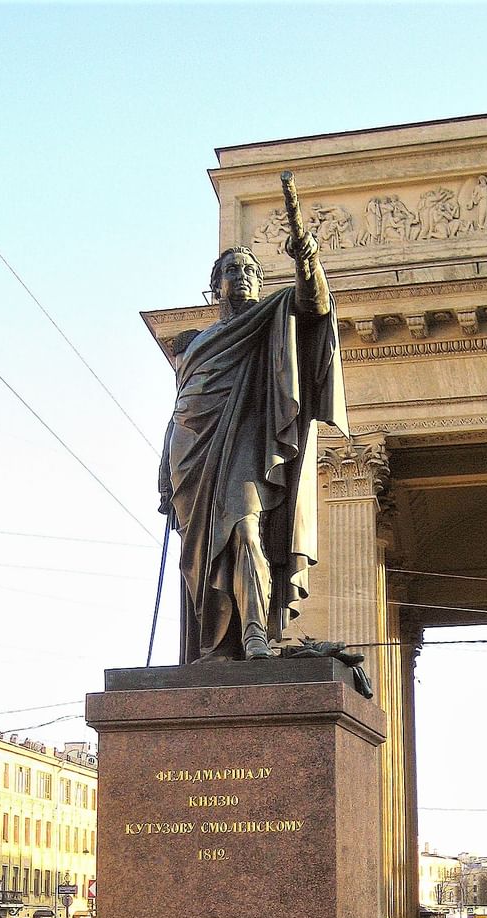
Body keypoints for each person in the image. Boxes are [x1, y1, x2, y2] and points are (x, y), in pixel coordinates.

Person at [158, 209, 349, 663]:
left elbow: (313, 305)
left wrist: (308, 261)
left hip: (248, 437)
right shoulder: (195, 344)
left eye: (248, 270)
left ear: (261, 282)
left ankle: (255, 633)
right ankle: (218, 644)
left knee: (244, 526)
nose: (239, 276)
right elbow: (177, 410)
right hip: (191, 454)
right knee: (201, 556)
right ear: (215, 285)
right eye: (230, 270)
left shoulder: (269, 318)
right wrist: (163, 474)